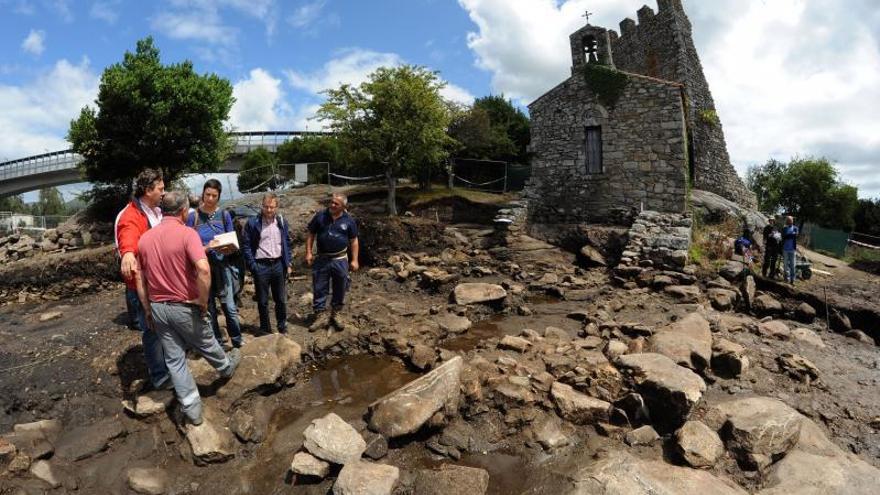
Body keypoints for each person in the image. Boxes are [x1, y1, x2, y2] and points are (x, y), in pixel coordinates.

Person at [135, 191, 241, 426]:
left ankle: (192, 412)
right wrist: (203, 301)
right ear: (184, 211)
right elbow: (203, 270)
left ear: (163, 211)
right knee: (206, 341)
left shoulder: (145, 239)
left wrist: (147, 309)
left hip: (158, 307)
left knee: (174, 360)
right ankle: (225, 367)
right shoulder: (187, 234)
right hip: (184, 304)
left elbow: (140, 278)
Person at [114, 168, 170, 390]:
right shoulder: (129, 216)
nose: (164, 193)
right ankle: (159, 375)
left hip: (159, 281)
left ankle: (167, 365)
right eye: (160, 189)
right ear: (148, 190)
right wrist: (128, 253)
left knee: (162, 326)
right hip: (142, 286)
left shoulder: (156, 211)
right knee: (152, 331)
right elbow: (127, 236)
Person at [186, 179, 242, 348]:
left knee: (230, 308)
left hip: (222, 267)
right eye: (207, 194)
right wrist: (207, 248)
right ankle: (217, 342)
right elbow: (188, 247)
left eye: (214, 196)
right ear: (202, 194)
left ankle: (238, 341)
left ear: (219, 197)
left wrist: (228, 249)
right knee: (209, 308)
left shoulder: (224, 215)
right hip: (202, 270)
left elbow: (233, 242)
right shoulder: (192, 217)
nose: (210, 199)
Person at [306, 192, 360, 331]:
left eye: (336, 203)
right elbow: (311, 234)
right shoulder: (320, 216)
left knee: (340, 286)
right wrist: (309, 252)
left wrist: (354, 260)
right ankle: (320, 316)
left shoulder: (349, 221)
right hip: (321, 259)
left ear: (343, 206)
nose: (332, 205)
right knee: (319, 287)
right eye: (332, 202)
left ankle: (336, 314)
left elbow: (354, 241)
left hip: (340, 259)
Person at [241, 192, 292, 334]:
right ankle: (265, 328)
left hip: (278, 265)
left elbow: (286, 242)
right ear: (261, 206)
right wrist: (253, 266)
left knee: (280, 300)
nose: (269, 210)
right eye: (266, 207)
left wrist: (288, 263)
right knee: (262, 301)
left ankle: (282, 327)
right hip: (261, 266)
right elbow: (246, 245)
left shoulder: (281, 222)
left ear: (277, 207)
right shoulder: (253, 223)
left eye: (272, 207)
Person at [782, 215, 800, 284]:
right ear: (787, 221)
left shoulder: (795, 228)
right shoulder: (784, 228)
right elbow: (784, 236)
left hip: (792, 249)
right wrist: (791, 235)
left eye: (791, 220)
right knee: (785, 265)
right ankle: (787, 278)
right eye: (788, 220)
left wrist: (789, 235)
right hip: (785, 249)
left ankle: (792, 279)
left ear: (792, 221)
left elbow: (796, 235)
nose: (790, 221)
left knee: (792, 265)